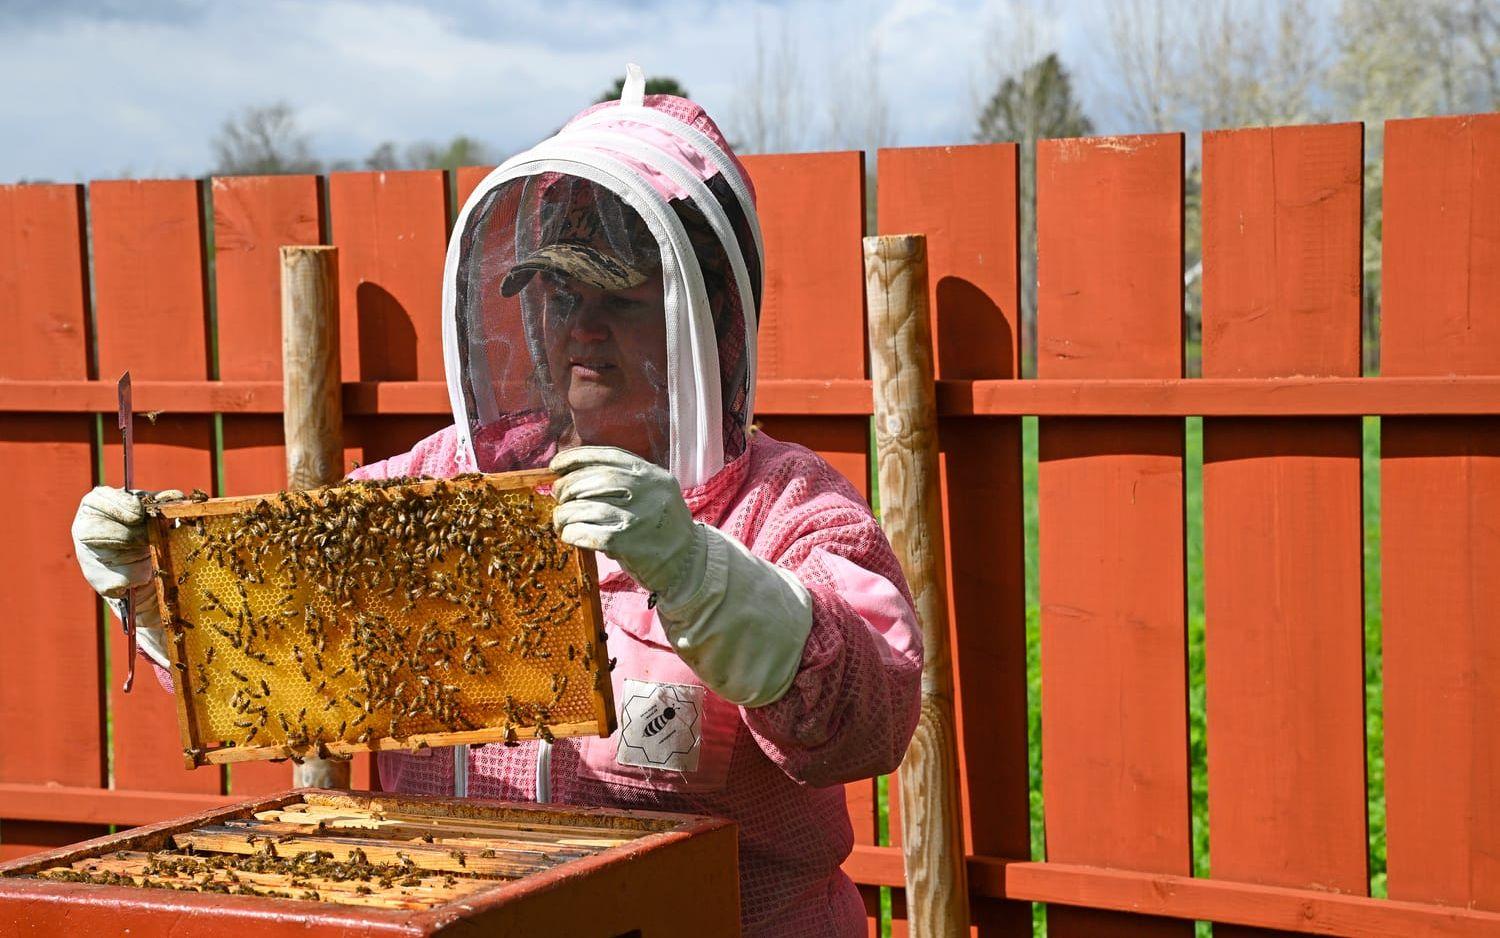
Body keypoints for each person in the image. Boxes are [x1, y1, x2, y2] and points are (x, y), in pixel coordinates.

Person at [70, 66, 922, 936]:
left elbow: (870, 720)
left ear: (703, 321)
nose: (580, 327)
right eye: (559, 295)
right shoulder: (434, 487)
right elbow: (287, 654)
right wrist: (158, 591)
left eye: (619, 299)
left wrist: (706, 576)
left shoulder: (787, 507)